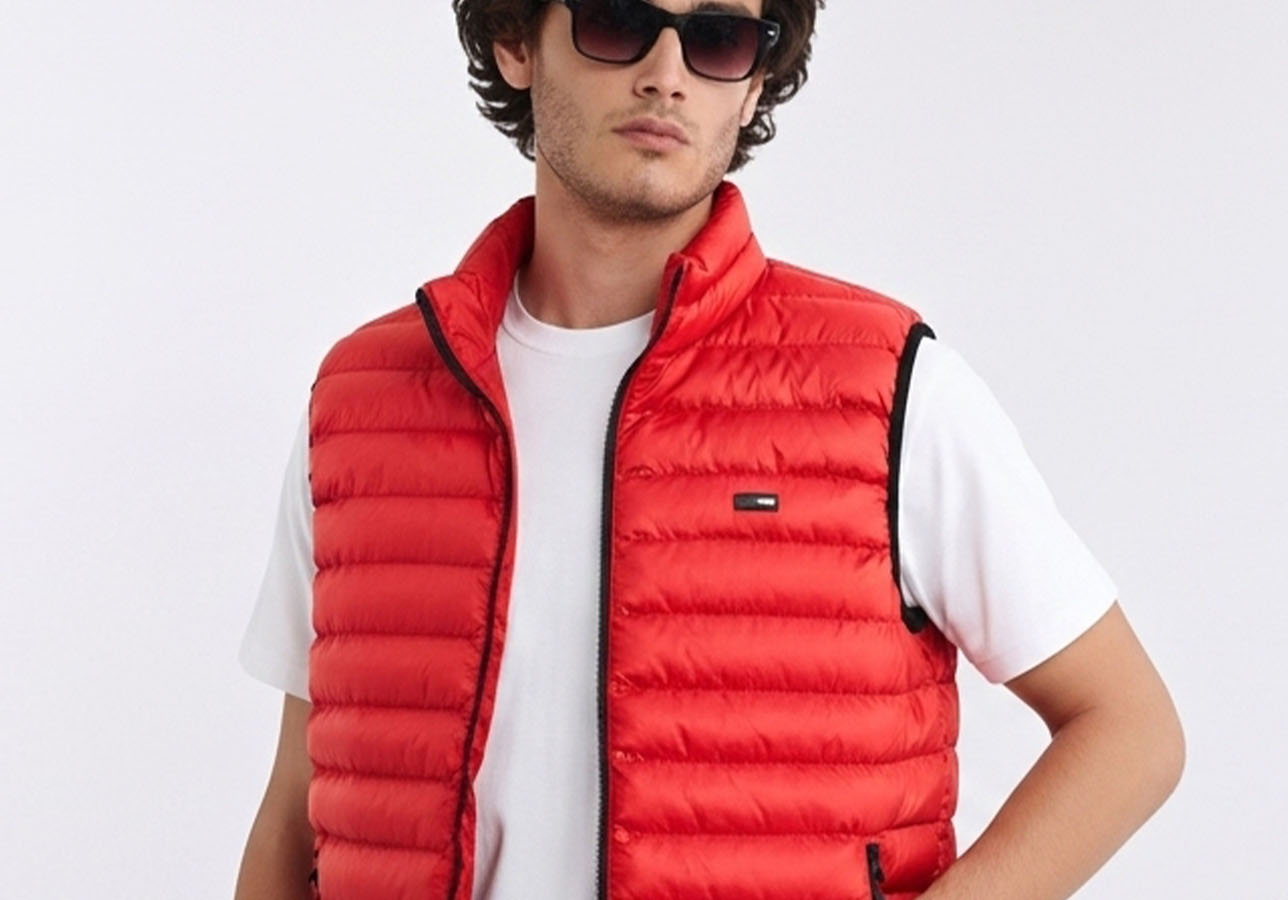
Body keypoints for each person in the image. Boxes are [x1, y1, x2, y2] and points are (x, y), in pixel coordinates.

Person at [232, 1, 1184, 897]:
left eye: (718, 38)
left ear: (756, 79)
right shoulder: (365, 401)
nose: (666, 74)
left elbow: (1128, 729)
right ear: (518, 41)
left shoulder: (883, 385)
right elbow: (297, 806)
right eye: (618, 22)